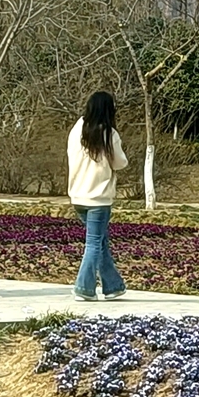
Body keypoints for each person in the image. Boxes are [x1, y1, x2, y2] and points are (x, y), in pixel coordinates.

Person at [67, 91, 128, 301]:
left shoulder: (77, 129)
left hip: (77, 196)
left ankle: (113, 286)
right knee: (94, 243)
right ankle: (83, 287)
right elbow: (120, 162)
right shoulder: (109, 134)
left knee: (99, 241)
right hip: (98, 198)